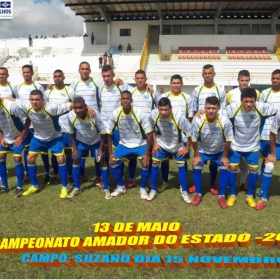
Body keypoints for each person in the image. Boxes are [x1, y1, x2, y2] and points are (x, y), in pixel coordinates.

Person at [11, 90, 77, 198]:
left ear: (43, 100)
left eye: (37, 99)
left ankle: (64, 187)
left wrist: (89, 108)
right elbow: (14, 100)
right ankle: (34, 186)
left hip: (54, 137)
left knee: (60, 159)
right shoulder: (26, 105)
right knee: (30, 158)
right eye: (32, 100)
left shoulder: (52, 108)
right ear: (29, 100)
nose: (34, 102)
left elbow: (72, 105)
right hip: (38, 138)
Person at [224, 87, 278, 208]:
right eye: (246, 101)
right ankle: (232, 194)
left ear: (255, 100)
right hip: (235, 146)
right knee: (232, 169)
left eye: (251, 101)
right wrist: (201, 111)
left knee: (253, 171)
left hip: (253, 147)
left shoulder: (262, 107)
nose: (249, 104)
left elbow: (277, 110)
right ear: (241, 100)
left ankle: (250, 196)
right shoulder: (233, 108)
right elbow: (217, 113)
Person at [106, 91, 153, 198]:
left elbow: (149, 134)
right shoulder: (115, 113)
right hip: (124, 144)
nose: (125, 101)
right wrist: (110, 153)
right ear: (120, 100)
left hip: (140, 143)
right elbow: (108, 134)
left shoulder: (139, 113)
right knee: (112, 162)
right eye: (123, 99)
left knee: (145, 163)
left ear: (131, 100)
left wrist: (147, 154)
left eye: (127, 99)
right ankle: (121, 187)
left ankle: (142, 189)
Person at [190, 64, 226, 195]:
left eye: (210, 73)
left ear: (214, 74)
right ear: (202, 75)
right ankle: (195, 183)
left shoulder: (220, 90)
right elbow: (193, 109)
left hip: (215, 126)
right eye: (205, 73)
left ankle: (212, 183)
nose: (207, 75)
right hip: (201, 126)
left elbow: (223, 109)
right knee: (197, 156)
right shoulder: (197, 90)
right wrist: (198, 113)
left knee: (214, 159)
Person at [191, 96, 234, 208]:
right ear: (204, 108)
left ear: (218, 108)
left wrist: (225, 156)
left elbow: (228, 140)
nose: (211, 111)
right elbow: (194, 139)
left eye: (213, 108)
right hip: (202, 150)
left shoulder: (225, 121)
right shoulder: (197, 120)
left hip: (219, 151)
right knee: (197, 167)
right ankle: (198, 194)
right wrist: (196, 155)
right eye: (208, 108)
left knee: (224, 168)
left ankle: (222, 196)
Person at [65, 96, 110, 199]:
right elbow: (71, 133)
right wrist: (75, 149)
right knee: (75, 158)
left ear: (85, 107)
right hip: (82, 142)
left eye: (81, 107)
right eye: (75, 108)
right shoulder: (71, 116)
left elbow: (103, 132)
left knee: (102, 160)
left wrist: (101, 149)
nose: (78, 110)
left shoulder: (94, 115)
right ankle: (76, 188)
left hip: (96, 141)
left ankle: (106, 188)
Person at [150, 97, 192, 203]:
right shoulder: (153, 114)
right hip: (162, 144)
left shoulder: (178, 117)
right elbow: (152, 129)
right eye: (161, 109)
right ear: (157, 108)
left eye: (166, 110)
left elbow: (191, 133)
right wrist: (155, 143)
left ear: (170, 108)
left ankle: (184, 191)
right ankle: (153, 190)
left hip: (178, 145)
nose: (163, 112)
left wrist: (186, 147)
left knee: (181, 165)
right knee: (154, 162)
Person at [125, 69, 161, 189]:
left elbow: (161, 105)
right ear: (135, 80)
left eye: (142, 78)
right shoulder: (132, 92)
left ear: (145, 79)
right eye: (137, 78)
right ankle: (131, 178)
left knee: (149, 154)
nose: (140, 80)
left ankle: (150, 178)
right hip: (135, 130)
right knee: (133, 155)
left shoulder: (151, 92)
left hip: (149, 129)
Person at [14, 65, 49, 184]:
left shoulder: (38, 86)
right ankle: (26, 173)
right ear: (22, 73)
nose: (26, 74)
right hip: (23, 123)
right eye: (24, 72)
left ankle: (47, 173)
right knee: (26, 149)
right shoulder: (17, 87)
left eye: (28, 72)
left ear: (32, 73)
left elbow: (45, 102)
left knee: (43, 150)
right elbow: (15, 102)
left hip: (37, 123)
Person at [226, 70, 261, 193]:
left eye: (246, 80)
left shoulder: (256, 92)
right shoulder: (230, 93)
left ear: (249, 80)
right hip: (235, 133)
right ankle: (233, 184)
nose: (244, 83)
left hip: (250, 134)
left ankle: (242, 182)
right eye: (242, 80)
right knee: (235, 162)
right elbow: (226, 112)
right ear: (238, 80)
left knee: (246, 163)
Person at [158, 74, 194, 192]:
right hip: (166, 134)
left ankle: (182, 184)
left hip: (182, 136)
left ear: (182, 84)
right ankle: (165, 181)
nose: (176, 85)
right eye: (174, 83)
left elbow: (189, 118)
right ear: (170, 84)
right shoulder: (164, 96)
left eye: (178, 83)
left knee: (182, 160)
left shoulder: (187, 98)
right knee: (164, 160)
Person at [47, 70, 73, 184]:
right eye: (55, 76)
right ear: (53, 78)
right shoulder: (48, 92)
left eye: (59, 76)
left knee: (68, 152)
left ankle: (70, 175)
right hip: (54, 128)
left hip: (66, 127)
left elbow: (76, 105)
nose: (57, 78)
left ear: (63, 77)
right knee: (55, 153)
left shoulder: (69, 91)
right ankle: (55, 175)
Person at [0, 99, 30, 197]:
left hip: (18, 137)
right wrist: (1, 138)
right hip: (4, 137)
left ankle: (19, 187)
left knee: (17, 159)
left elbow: (27, 120)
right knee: (1, 159)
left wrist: (21, 136)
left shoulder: (12, 106)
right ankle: (4, 186)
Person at [258, 69, 280, 197]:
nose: (275, 81)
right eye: (273, 78)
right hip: (267, 133)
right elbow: (262, 113)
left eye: (277, 78)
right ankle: (262, 186)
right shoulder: (265, 93)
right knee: (267, 160)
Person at [258, 112, 280, 209]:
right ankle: (264, 197)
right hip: (279, 145)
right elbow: (272, 134)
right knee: (269, 165)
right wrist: (273, 154)